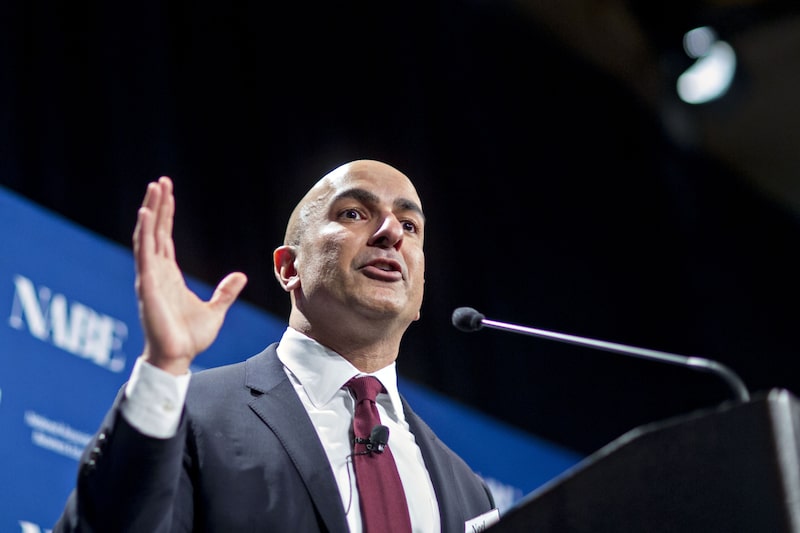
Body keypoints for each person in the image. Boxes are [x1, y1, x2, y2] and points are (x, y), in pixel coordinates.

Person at [54, 159, 498, 532]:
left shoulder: (469, 493)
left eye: (409, 224)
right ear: (289, 268)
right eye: (353, 214)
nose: (390, 234)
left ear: (419, 289)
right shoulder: (191, 412)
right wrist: (164, 364)